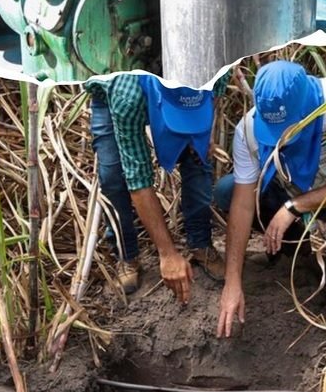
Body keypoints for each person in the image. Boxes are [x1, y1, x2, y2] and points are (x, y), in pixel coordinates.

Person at [215, 60, 326, 337]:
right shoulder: (247, 130)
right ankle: (296, 252)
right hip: (291, 189)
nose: (282, 137)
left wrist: (294, 207)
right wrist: (232, 281)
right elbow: (243, 204)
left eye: (288, 127)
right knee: (226, 190)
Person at [85, 72, 227, 303]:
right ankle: (127, 255)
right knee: (112, 175)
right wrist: (167, 254)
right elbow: (137, 177)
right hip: (113, 95)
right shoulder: (126, 96)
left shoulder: (216, 63)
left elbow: (216, 92)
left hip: (184, 100)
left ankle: (201, 245)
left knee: (199, 158)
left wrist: (204, 131)